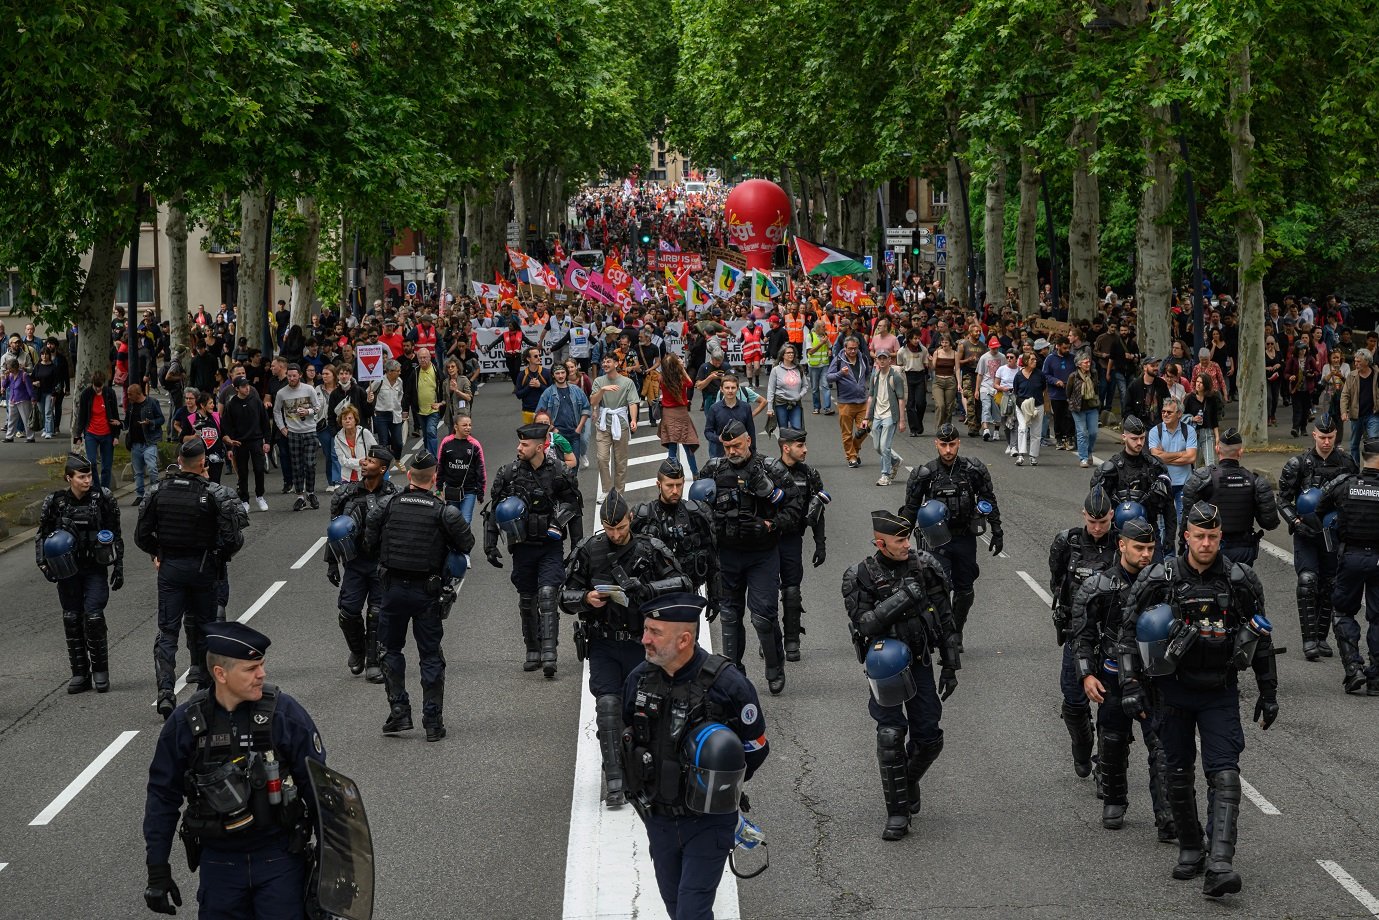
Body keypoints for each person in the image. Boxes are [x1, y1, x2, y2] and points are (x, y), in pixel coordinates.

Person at [1119, 501, 1276, 898]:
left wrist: (1268, 692)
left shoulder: (1241, 580)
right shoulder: (1159, 577)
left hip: (1219, 691)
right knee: (1177, 772)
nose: (1206, 543)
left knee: (1224, 773)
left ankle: (1220, 863)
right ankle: (1191, 848)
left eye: (1212, 536)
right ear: (1186, 536)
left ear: (1221, 536)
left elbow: (1261, 638)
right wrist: (1131, 685)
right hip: (1171, 692)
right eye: (1199, 535)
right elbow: (1127, 635)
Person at [141, 622, 325, 919]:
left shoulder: (285, 714)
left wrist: (334, 866)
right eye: (251, 669)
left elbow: (319, 792)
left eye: (261, 665)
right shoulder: (186, 724)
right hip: (220, 866)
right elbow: (162, 797)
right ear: (220, 674)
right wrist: (157, 869)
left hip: (279, 859)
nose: (262, 674)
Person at [623, 591, 769, 920]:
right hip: (658, 818)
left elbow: (756, 747)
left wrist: (715, 785)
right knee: (677, 907)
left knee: (692, 912)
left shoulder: (729, 686)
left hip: (708, 823)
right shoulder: (639, 680)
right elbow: (627, 732)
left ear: (685, 639)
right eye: (646, 629)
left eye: (655, 632)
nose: (645, 639)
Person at [562, 491, 693, 808]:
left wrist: (648, 589)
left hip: (642, 643)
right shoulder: (590, 549)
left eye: (619, 527)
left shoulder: (649, 548)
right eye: (609, 529)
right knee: (608, 705)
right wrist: (585, 599)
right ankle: (615, 779)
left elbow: (683, 582)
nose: (615, 534)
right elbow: (563, 595)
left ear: (630, 520)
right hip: (603, 642)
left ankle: (646, 772)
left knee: (642, 711)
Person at [843, 509, 960, 839]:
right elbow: (864, 623)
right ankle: (897, 813)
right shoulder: (860, 576)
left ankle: (906, 782)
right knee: (891, 735)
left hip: (920, 659)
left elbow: (946, 619)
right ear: (881, 543)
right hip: (886, 666)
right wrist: (904, 596)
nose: (907, 544)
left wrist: (950, 665)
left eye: (908, 537)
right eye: (899, 540)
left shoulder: (925, 567)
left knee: (929, 737)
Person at [1068, 515, 1173, 838]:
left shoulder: (1166, 584)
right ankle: (1114, 799)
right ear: (1122, 545)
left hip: (1156, 675)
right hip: (1112, 673)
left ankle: (1167, 814)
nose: (1145, 555)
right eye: (1139, 548)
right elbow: (1081, 636)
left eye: (1151, 549)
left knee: (1164, 746)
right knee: (1112, 739)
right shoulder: (1098, 586)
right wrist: (1086, 675)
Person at [363, 450, 474, 740]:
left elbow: (368, 541)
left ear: (409, 475)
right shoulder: (443, 511)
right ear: (434, 478)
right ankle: (433, 722)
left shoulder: (388, 505)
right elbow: (466, 544)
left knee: (390, 650)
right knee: (430, 655)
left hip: (392, 590)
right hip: (427, 591)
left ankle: (399, 713)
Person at [136, 439, 248, 718]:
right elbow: (233, 538)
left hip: (170, 568)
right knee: (207, 627)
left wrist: (159, 552)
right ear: (202, 464)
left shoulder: (157, 491)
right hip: (203, 569)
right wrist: (218, 554)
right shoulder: (214, 493)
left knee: (167, 630)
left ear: (179, 459)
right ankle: (206, 690)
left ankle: (165, 691)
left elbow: (141, 536)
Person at [696, 418, 800, 694]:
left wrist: (770, 525)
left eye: (736, 445)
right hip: (727, 556)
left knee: (763, 616)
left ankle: (775, 667)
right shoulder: (713, 470)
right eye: (727, 446)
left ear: (748, 441)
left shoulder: (771, 469)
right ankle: (733, 674)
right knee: (729, 616)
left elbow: (795, 507)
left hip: (762, 555)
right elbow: (695, 508)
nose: (732, 451)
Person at [484, 422, 584, 677]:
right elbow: (494, 509)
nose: (519, 448)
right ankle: (533, 649)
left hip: (550, 547)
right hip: (522, 548)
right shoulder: (509, 473)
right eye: (519, 443)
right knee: (527, 600)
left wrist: (577, 548)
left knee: (549, 594)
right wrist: (490, 544)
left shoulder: (560, 473)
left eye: (524, 444)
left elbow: (574, 508)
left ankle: (550, 653)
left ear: (540, 447)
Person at [899, 424, 1003, 651]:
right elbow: (910, 509)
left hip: (965, 537)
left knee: (965, 590)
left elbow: (988, 499)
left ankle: (956, 631)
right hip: (935, 541)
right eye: (943, 444)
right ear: (936, 443)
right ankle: (945, 636)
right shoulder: (925, 474)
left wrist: (997, 530)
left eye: (952, 444)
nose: (948, 450)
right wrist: (900, 542)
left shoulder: (973, 470)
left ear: (958, 443)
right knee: (939, 590)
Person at [35, 453, 124, 693]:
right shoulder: (55, 502)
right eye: (82, 477)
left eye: (89, 476)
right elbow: (42, 535)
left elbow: (115, 532)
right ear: (69, 478)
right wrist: (43, 564)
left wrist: (119, 566)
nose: (87, 480)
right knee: (72, 618)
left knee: (93, 616)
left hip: (94, 567)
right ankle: (79, 674)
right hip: (67, 572)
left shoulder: (103, 498)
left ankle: (100, 672)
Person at [1047, 489, 1117, 779]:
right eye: (1092, 521)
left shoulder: (1124, 543)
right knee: (1074, 700)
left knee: (1112, 706)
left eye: (1103, 522)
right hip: (1078, 633)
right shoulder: (1069, 542)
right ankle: (1082, 742)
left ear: (1112, 516)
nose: (1097, 528)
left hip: (1113, 636)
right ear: (1083, 515)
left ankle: (1108, 764)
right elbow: (1057, 580)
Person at [1278, 417, 1354, 661]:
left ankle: (1321, 638)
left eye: (1330, 437)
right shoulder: (1298, 464)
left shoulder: (1346, 463)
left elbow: (1354, 497)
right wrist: (1296, 523)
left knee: (1330, 584)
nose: (1326, 441)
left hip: (1333, 534)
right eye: (1322, 437)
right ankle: (1309, 640)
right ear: (1313, 435)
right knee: (1308, 580)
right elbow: (1282, 499)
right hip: (1307, 534)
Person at [327, 444, 397, 684]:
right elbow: (334, 530)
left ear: (383, 468)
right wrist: (331, 563)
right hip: (355, 563)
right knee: (348, 612)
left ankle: (374, 662)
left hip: (381, 564)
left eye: (371, 461)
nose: (364, 463)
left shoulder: (393, 496)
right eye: (365, 459)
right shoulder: (346, 494)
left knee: (377, 613)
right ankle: (357, 650)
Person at [1315, 436, 1379, 693]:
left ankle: (1353, 668)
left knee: (1342, 611)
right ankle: (1376, 678)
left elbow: (1318, 509)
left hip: (1350, 557)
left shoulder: (1344, 484)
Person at [632, 460, 721, 614]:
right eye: (669, 485)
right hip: (655, 597)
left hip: (687, 595)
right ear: (658, 485)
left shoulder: (697, 513)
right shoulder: (643, 516)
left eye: (679, 485)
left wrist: (715, 596)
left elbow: (712, 557)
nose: (675, 490)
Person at [1180, 428, 1279, 565]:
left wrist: (1182, 547)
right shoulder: (1255, 482)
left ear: (1217, 449)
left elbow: (1187, 519)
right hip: (1243, 550)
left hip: (1211, 549)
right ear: (1240, 452)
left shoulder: (1202, 479)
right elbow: (1270, 522)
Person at [770, 429, 829, 660]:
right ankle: (771, 638)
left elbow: (818, 510)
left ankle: (792, 641)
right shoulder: (767, 472)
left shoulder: (810, 474)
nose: (805, 450)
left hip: (793, 540)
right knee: (766, 592)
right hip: (768, 541)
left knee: (792, 590)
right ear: (786, 447)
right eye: (800, 446)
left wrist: (820, 543)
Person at [1091, 415, 1178, 549]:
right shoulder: (1110, 469)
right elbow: (1096, 507)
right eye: (1134, 439)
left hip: (1149, 532)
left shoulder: (1155, 466)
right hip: (1117, 535)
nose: (1139, 443)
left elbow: (1169, 506)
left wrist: (1170, 538)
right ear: (1124, 437)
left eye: (1142, 438)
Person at [273, 364, 324, 511]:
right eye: (289, 376)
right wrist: (282, 427)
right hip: (293, 433)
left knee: (310, 464)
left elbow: (318, 407)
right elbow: (276, 411)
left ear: (300, 375)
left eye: (294, 376)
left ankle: (311, 493)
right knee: (296, 466)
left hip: (309, 431)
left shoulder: (309, 389)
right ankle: (300, 497)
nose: (291, 378)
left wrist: (307, 411)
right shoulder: (281, 393)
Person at [590, 353, 641, 494]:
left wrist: (634, 420)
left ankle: (619, 493)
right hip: (603, 424)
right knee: (602, 458)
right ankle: (607, 491)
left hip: (621, 423)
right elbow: (593, 402)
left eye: (608, 362)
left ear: (617, 364)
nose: (605, 364)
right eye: (604, 362)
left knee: (620, 462)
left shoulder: (627, 382)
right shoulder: (599, 381)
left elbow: (632, 402)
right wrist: (602, 390)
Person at [221, 376, 272, 513]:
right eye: (243, 386)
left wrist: (267, 441)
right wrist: (230, 446)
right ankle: (244, 500)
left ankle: (260, 496)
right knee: (242, 473)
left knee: (259, 469)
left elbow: (265, 422)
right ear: (236, 389)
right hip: (239, 443)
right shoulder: (231, 405)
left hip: (256, 440)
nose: (247, 388)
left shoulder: (256, 401)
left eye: (247, 385)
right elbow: (226, 427)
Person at [1149, 398, 1198, 523]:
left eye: (1169, 412)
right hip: (1162, 483)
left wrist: (1164, 456)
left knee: (1184, 521)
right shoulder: (1155, 431)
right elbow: (1155, 457)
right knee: (1162, 524)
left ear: (1179, 414)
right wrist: (1182, 453)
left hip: (1184, 483)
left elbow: (1191, 457)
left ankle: (1182, 543)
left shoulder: (1189, 431)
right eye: (1163, 411)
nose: (1165, 414)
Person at [825, 335, 871, 469]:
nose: (853, 351)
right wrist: (840, 373)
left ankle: (854, 451)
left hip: (862, 401)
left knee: (865, 429)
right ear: (845, 348)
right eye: (850, 349)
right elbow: (828, 377)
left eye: (855, 348)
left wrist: (862, 387)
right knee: (847, 433)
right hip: (845, 403)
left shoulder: (862, 358)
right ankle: (851, 457)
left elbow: (867, 373)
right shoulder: (838, 360)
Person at [862, 349, 906, 486]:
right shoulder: (875, 376)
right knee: (877, 447)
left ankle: (885, 475)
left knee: (884, 447)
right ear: (876, 361)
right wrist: (866, 417)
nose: (881, 361)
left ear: (889, 360)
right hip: (877, 415)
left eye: (884, 358)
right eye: (879, 358)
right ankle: (895, 461)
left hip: (889, 415)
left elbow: (901, 399)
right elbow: (870, 397)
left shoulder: (895, 377)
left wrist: (902, 421)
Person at [536, 362, 592, 468]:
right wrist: (554, 429)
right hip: (557, 436)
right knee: (559, 467)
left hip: (574, 434)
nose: (560, 376)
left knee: (574, 465)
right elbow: (539, 414)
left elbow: (586, 408)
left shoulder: (576, 390)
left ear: (566, 373)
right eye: (557, 373)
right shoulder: (547, 393)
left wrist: (579, 428)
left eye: (563, 372)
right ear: (553, 375)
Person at [74, 369, 122, 490]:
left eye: (100, 387)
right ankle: (96, 487)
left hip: (107, 434)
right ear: (92, 384)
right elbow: (82, 416)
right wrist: (78, 435)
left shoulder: (109, 393)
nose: (98, 390)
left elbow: (115, 415)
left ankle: (105, 490)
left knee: (107, 465)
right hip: (91, 432)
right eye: (96, 387)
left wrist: (116, 436)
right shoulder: (86, 394)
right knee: (92, 462)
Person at [437, 411, 486, 524]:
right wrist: (439, 487)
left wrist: (481, 492)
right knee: (451, 520)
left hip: (469, 490)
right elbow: (441, 465)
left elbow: (481, 469)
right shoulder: (446, 442)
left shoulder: (475, 445)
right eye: (464, 425)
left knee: (465, 520)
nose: (468, 428)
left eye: (470, 425)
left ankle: (462, 542)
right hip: (451, 489)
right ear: (456, 427)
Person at [656, 353, 701, 475]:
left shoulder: (662, 379)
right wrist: (682, 368)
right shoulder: (681, 378)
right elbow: (690, 383)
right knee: (687, 443)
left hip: (668, 413)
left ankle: (673, 473)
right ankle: (695, 473)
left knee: (672, 444)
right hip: (681, 412)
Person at [124, 383, 165, 505]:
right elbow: (127, 422)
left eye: (130, 394)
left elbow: (161, 419)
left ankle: (154, 492)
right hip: (135, 443)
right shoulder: (131, 406)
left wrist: (150, 422)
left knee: (152, 468)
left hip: (149, 442)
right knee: (138, 472)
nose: (128, 396)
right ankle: (140, 495)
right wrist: (120, 424)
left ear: (138, 393)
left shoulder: (151, 402)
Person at [1340, 348, 1379, 464]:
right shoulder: (1351, 376)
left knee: (1373, 443)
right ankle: (1355, 470)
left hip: (1373, 414)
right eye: (1355, 361)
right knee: (1354, 445)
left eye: (1359, 361)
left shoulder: (1377, 374)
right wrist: (1343, 412)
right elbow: (1345, 395)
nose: (1356, 364)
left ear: (1367, 362)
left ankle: (1372, 470)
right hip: (1356, 416)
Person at [1042, 335, 1077, 451]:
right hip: (1056, 393)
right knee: (1058, 416)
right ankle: (1059, 438)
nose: (1067, 350)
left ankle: (1070, 437)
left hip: (1071, 393)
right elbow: (1045, 375)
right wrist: (1055, 381)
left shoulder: (1073, 358)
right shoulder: (1050, 359)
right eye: (1064, 348)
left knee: (1070, 415)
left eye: (1068, 348)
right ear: (1057, 347)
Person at [1067, 353, 1102, 468]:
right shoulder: (1073, 376)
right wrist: (1072, 402)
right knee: (1082, 433)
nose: (1088, 364)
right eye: (1085, 362)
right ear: (1078, 364)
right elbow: (1069, 391)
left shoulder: (1094, 374)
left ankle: (1089, 451)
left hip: (1092, 407)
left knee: (1093, 432)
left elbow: (1097, 388)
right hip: (1078, 408)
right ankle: (1083, 458)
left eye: (1089, 361)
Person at [1012, 354, 1046, 467]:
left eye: (1035, 359)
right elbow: (1016, 391)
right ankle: (1021, 455)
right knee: (1022, 428)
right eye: (1032, 359)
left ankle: (1033, 456)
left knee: (1036, 432)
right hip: (1022, 406)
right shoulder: (1018, 376)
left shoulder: (1040, 374)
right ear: (1026, 361)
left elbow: (1043, 388)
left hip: (1037, 406)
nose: (1035, 361)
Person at [766, 343, 809, 432]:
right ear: (782, 355)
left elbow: (805, 386)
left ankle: (795, 446)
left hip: (795, 403)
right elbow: (771, 389)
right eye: (788, 353)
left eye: (792, 353)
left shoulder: (799, 368)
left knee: (797, 429)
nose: (791, 354)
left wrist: (800, 396)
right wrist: (770, 408)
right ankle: (785, 446)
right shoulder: (776, 370)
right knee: (784, 431)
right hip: (780, 403)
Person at [898, 329, 928, 435]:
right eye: (915, 338)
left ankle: (918, 422)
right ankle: (913, 429)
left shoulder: (923, 349)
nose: (917, 340)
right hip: (907, 376)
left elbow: (926, 363)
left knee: (921, 403)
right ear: (909, 339)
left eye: (918, 338)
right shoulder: (902, 350)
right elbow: (900, 364)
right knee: (910, 403)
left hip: (920, 375)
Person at [806, 319, 836, 416]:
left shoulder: (825, 336)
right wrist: (821, 343)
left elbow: (830, 346)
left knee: (826, 386)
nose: (825, 328)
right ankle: (816, 407)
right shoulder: (810, 336)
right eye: (823, 327)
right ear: (818, 328)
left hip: (824, 364)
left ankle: (827, 408)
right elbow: (810, 351)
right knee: (815, 388)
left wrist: (829, 350)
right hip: (813, 366)